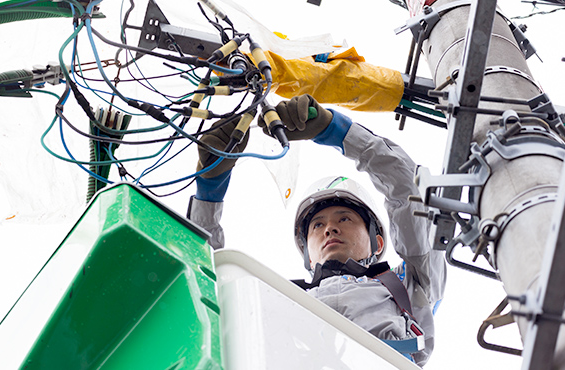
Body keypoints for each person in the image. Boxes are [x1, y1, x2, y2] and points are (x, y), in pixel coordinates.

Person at [187, 94, 446, 366]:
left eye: (344, 219)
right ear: (307, 255)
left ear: (378, 243)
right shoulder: (277, 297)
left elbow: (408, 191)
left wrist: (333, 129)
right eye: (317, 225)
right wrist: (209, 188)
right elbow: (204, 287)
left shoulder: (409, 286)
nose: (330, 229)